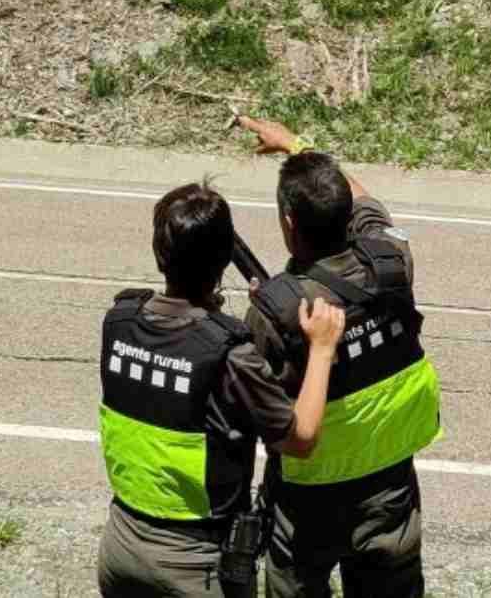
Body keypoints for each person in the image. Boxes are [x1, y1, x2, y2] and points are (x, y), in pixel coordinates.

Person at [99, 181, 350, 598]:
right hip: (195, 564)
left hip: (120, 546)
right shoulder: (230, 354)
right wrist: (322, 348)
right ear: (221, 264)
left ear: (160, 253)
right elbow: (301, 438)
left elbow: (175, 375)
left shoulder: (118, 321)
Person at [236, 117, 443, 598]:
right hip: (390, 485)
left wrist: (266, 308)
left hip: (309, 498)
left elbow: (260, 408)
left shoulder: (277, 310)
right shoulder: (391, 262)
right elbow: (367, 199)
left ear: (289, 223)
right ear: (347, 215)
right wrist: (297, 145)